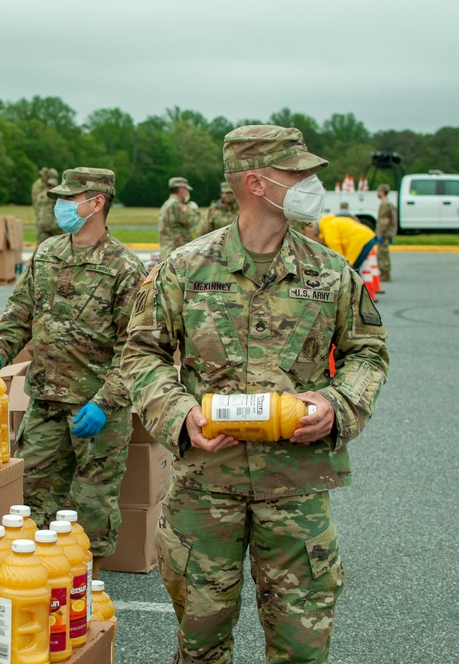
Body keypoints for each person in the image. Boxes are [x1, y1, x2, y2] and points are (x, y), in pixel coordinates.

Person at [122, 125, 389, 663]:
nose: (312, 182)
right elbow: (140, 354)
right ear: (257, 183)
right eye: (298, 173)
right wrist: (180, 414)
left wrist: (337, 406)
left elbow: (369, 353)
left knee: (302, 651)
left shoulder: (331, 274)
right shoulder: (185, 269)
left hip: (295, 493)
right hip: (205, 488)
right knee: (201, 647)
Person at [0, 167, 146, 574]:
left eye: (70, 199)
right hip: (45, 401)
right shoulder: (48, 253)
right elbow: (18, 314)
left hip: (95, 407)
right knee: (28, 494)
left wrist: (106, 402)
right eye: (60, 198)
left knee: (92, 503)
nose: (61, 206)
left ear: (97, 203)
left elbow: (136, 347)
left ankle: (86, 582)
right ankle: (32, 576)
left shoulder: (126, 267)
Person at [303, 214, 378, 274]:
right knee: (353, 269)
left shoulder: (327, 226)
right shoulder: (330, 222)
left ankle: (354, 290)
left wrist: (340, 265)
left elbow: (335, 249)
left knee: (351, 270)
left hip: (362, 241)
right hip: (366, 238)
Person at [158, 176, 199, 257]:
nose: (187, 193)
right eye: (186, 190)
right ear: (181, 190)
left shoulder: (168, 204)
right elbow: (192, 222)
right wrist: (194, 211)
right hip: (177, 251)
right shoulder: (177, 205)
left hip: (168, 250)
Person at [32, 166, 61, 245]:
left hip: (41, 223)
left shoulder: (39, 191)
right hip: (53, 224)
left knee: (41, 247)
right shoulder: (53, 195)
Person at [376, 184, 397, 281]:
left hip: (384, 233)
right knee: (385, 252)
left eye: (379, 191)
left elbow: (384, 221)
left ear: (382, 192)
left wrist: (379, 234)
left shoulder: (384, 204)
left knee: (382, 253)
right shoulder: (390, 203)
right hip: (388, 232)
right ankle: (385, 272)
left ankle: (384, 273)